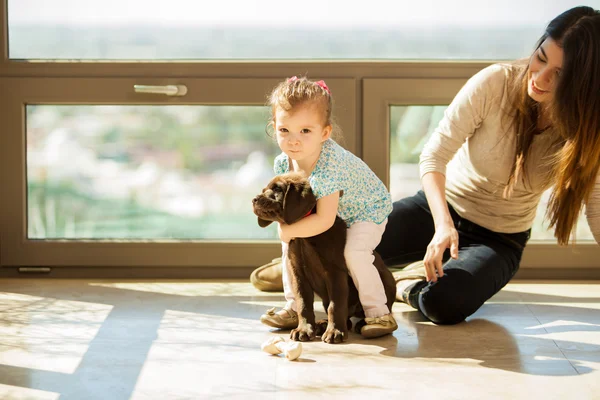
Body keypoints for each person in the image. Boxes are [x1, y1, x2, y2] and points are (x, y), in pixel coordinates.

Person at [251, 6, 600, 326]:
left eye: (559, 75)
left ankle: (407, 281)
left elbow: (596, 209)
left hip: (499, 239)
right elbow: (434, 156)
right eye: (540, 58)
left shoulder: (588, 129)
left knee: (443, 304)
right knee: (346, 251)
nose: (539, 78)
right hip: (435, 209)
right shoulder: (496, 83)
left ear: (582, 84)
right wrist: (442, 225)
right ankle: (304, 271)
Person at [257, 76, 397, 338]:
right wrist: (287, 231)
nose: (293, 141)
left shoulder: (329, 167)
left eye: (305, 131)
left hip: (364, 214)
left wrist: (289, 230)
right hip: (334, 216)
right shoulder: (283, 163)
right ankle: (294, 306)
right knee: (292, 249)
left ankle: (379, 312)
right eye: (284, 130)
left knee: (353, 253)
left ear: (325, 132)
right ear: (273, 127)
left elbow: (324, 220)